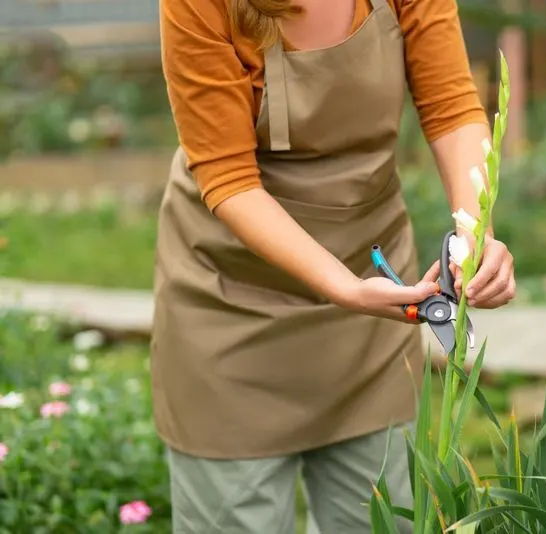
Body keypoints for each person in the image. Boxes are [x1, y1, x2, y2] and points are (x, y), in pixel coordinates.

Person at [152, 0, 516, 531]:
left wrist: (474, 230)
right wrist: (341, 287)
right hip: (232, 303)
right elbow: (228, 176)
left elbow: (452, 105)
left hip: (374, 303)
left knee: (383, 516)